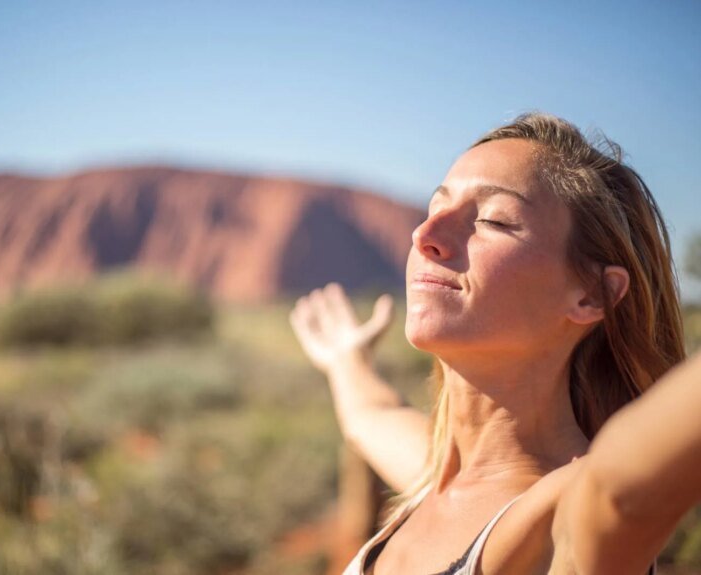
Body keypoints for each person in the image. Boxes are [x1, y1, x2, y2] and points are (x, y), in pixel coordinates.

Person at [289, 112, 699, 574]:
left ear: (591, 294)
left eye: (493, 220)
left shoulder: (562, 513)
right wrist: (346, 358)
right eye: (433, 208)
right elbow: (371, 415)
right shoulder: (436, 481)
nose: (424, 235)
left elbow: (620, 492)